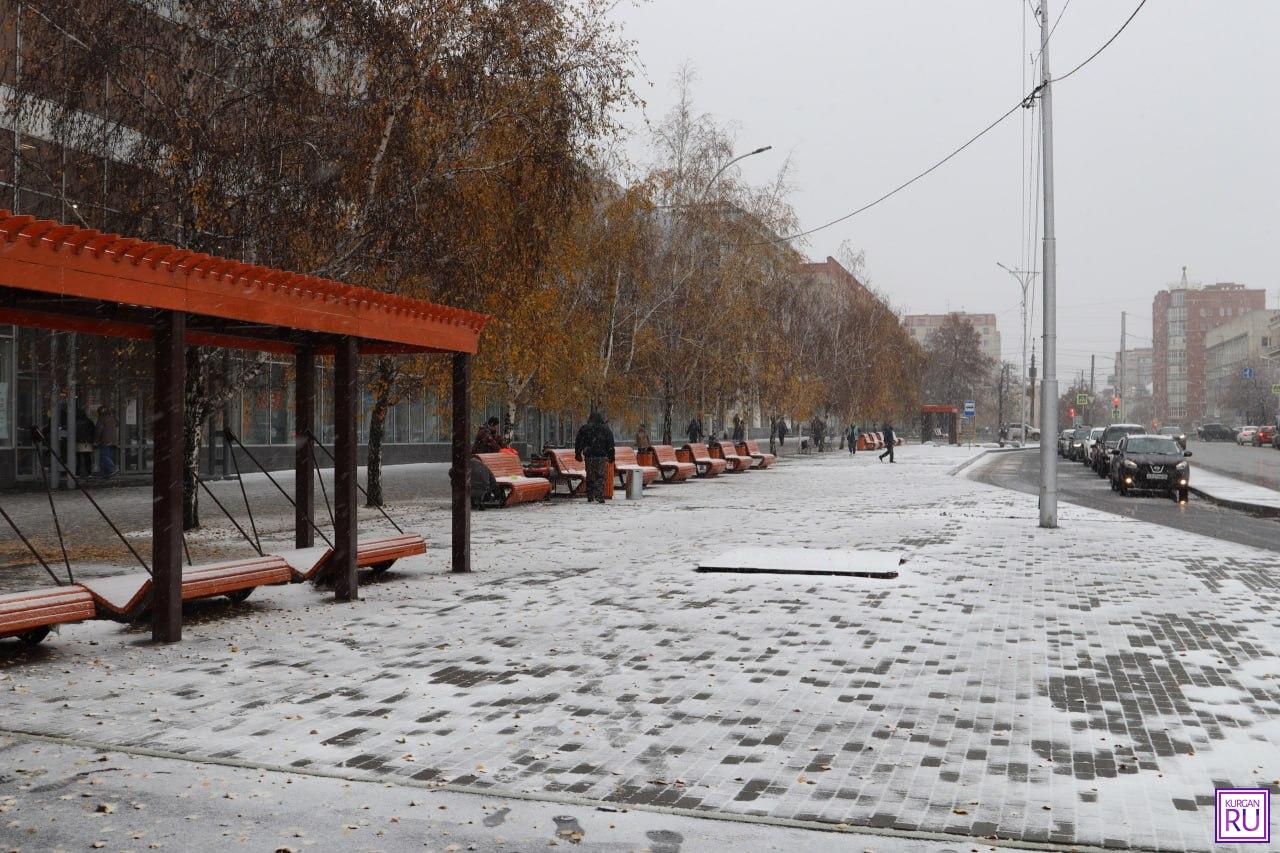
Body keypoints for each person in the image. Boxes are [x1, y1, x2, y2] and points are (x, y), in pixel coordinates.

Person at [574, 411, 615, 504]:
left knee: (590, 476)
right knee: (600, 476)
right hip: (601, 456)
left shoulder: (585, 428)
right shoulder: (605, 429)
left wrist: (578, 454)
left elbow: (578, 441)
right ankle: (600, 495)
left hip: (589, 456)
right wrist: (611, 456)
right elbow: (610, 444)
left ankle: (590, 496)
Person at [96, 405, 119, 479]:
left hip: (105, 440)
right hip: (113, 441)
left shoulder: (102, 418)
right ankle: (106, 474)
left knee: (104, 456)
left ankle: (113, 469)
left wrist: (96, 440)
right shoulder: (113, 418)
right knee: (108, 457)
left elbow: (99, 430)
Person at [75, 406, 96, 478]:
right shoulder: (89, 422)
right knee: (87, 458)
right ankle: (89, 472)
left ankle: (78, 472)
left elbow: (76, 433)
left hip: (79, 442)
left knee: (78, 458)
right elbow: (93, 432)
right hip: (88, 442)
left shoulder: (76, 422)